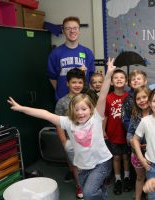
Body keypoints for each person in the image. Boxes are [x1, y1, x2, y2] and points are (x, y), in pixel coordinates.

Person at [8, 58, 116, 200]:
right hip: (83, 166)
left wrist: (108, 74)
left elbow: (102, 97)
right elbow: (45, 114)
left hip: (101, 163)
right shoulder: (68, 122)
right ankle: (102, 192)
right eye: (77, 110)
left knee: (89, 194)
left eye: (84, 109)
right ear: (72, 111)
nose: (81, 113)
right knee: (89, 189)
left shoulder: (96, 119)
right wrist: (22, 108)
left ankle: (101, 194)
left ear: (91, 110)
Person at [55, 68, 86, 199]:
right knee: (75, 165)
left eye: (80, 82)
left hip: (86, 139)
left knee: (87, 163)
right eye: (74, 82)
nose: (77, 85)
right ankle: (79, 185)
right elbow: (58, 123)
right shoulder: (62, 102)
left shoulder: (87, 99)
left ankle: (89, 183)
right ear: (68, 83)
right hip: (71, 140)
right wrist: (64, 141)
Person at [47, 16, 95, 101]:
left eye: (75, 28)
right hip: (63, 99)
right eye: (68, 28)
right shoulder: (55, 53)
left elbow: (90, 76)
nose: (72, 31)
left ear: (79, 30)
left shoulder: (88, 53)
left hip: (83, 101)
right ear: (63, 31)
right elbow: (52, 77)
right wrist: (60, 92)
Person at [103, 69, 131, 195]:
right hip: (113, 133)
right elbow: (105, 116)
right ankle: (118, 179)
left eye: (122, 77)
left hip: (126, 133)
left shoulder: (129, 97)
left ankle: (126, 177)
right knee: (116, 157)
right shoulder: (108, 98)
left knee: (126, 156)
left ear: (126, 81)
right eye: (116, 78)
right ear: (112, 82)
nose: (119, 79)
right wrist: (102, 130)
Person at [127, 86, 151, 200]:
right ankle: (137, 197)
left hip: (154, 155)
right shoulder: (135, 114)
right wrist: (132, 141)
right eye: (138, 98)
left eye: (144, 97)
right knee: (140, 177)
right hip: (137, 153)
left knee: (153, 179)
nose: (142, 100)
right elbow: (129, 133)